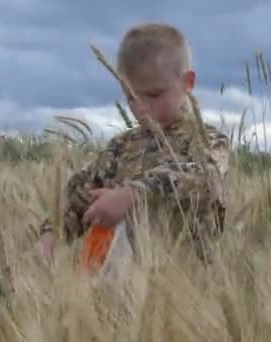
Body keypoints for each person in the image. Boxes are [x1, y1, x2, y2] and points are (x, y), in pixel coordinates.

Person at [37, 22, 230, 265]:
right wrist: (52, 234)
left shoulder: (206, 139)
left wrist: (134, 194)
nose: (141, 107)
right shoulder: (120, 147)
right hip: (111, 285)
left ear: (187, 82)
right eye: (131, 97)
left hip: (185, 280)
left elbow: (203, 176)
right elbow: (81, 193)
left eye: (153, 94)